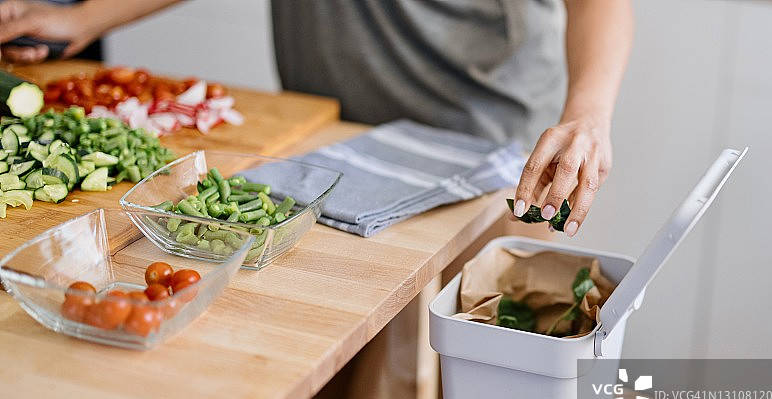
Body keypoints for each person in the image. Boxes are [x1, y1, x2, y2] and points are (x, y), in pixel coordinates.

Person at [0, 0, 633, 237]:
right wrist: (83, 20)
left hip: (476, 136)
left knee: (447, 369)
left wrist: (588, 115)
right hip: (332, 127)